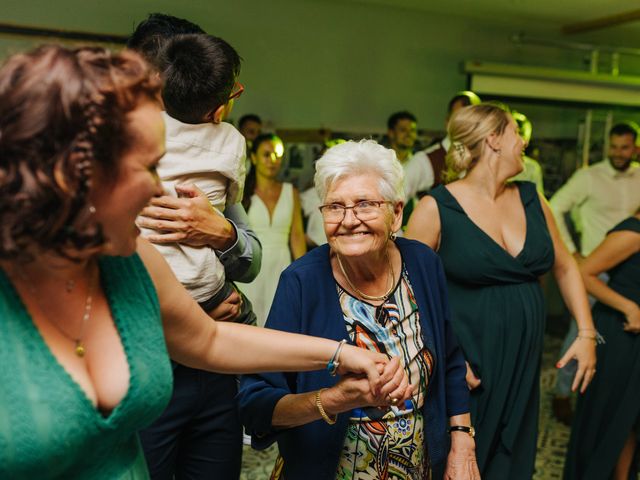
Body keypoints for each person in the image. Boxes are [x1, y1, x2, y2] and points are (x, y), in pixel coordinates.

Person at [0, 45, 406, 479]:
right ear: (78, 172)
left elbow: (211, 340)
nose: (161, 192)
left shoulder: (131, 258)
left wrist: (342, 355)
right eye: (149, 168)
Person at [238, 139, 479, 480]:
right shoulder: (301, 282)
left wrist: (461, 441)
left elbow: (451, 362)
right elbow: (255, 404)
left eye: (365, 204)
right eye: (335, 207)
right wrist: (335, 399)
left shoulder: (423, 264)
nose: (349, 220)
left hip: (422, 467)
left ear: (396, 213)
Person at [406, 103, 597, 479]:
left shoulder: (532, 199)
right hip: (467, 363)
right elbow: (406, 292)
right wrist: (444, 360)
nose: (523, 141)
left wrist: (587, 332)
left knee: (510, 461)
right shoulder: (436, 208)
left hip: (522, 361)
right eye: (515, 133)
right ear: (493, 139)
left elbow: (565, 264)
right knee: (459, 462)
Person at [130, 31, 258, 479]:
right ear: (218, 105)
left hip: (209, 366)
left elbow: (251, 254)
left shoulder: (133, 135)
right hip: (157, 350)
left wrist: (222, 232)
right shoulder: (231, 142)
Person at [550, 122, 640, 424]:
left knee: (615, 340)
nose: (617, 153)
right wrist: (571, 252)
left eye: (624, 147)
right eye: (613, 147)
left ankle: (602, 396)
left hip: (628, 275)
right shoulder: (589, 176)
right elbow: (555, 206)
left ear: (635, 147)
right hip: (595, 269)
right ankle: (562, 393)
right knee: (582, 332)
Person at [564, 211, 640, 480]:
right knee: (610, 418)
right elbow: (584, 273)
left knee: (630, 423)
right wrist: (629, 307)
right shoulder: (634, 231)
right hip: (620, 335)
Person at [241, 134, 307, 326]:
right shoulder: (242, 191)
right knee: (250, 322)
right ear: (253, 158)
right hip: (251, 265)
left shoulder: (290, 191)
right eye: (266, 154)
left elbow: (297, 235)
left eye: (277, 154)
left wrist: (303, 272)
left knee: (280, 320)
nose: (272, 160)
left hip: (281, 263)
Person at [423, 91, 482, 188]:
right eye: (460, 117)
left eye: (473, 117)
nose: (466, 123)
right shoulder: (426, 160)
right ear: (447, 121)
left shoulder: (484, 159)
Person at [510, 110, 544, 193]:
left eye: (525, 136)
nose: (524, 142)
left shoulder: (532, 168)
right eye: (518, 133)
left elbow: (537, 201)